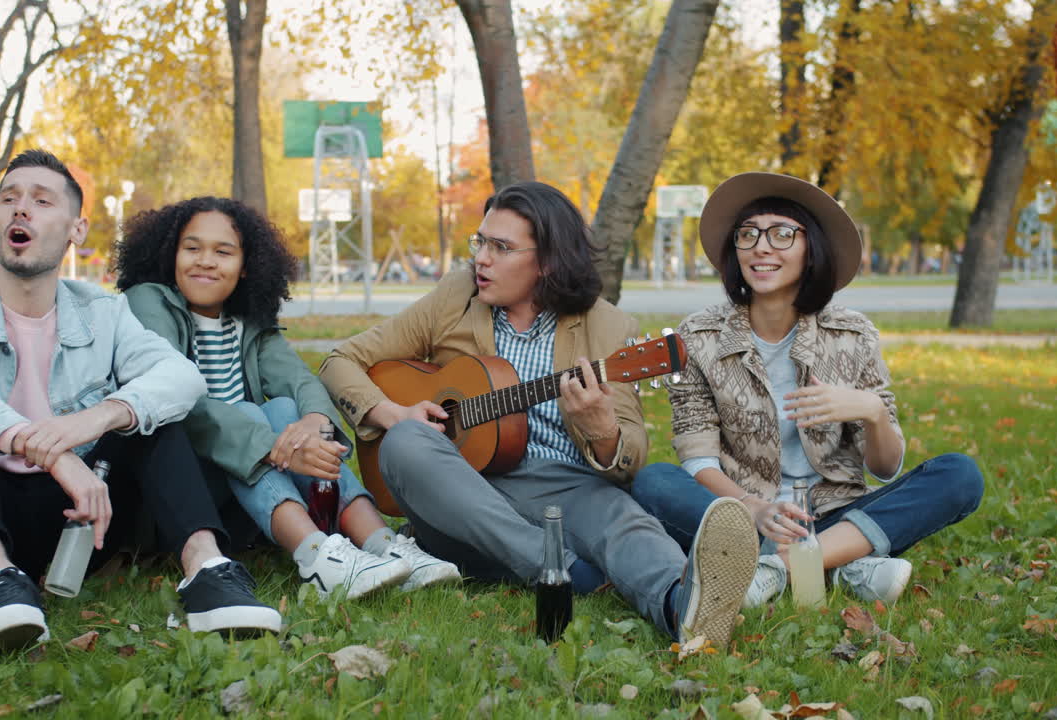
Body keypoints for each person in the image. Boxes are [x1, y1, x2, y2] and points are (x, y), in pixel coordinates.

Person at [319, 181, 759, 647]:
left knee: (623, 523)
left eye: (501, 247)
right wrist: (391, 413)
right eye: (480, 242)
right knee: (406, 443)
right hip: (462, 492)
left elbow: (630, 454)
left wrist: (603, 430)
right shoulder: (457, 296)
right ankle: (562, 568)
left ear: (547, 260)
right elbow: (339, 361)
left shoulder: (607, 326)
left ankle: (684, 606)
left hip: (564, 487)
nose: (481, 259)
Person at [0, 150, 281, 654]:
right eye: (9, 198)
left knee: (148, 416)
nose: (20, 209)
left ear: (77, 229)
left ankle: (208, 571)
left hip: (83, 518)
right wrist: (43, 448)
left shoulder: (103, 311)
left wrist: (93, 421)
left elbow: (180, 378)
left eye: (41, 200)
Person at [631, 172, 984, 608]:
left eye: (782, 234)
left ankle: (777, 568)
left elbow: (886, 468)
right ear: (735, 250)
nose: (761, 246)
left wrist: (871, 410)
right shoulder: (700, 337)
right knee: (653, 480)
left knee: (960, 475)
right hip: (746, 514)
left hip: (838, 512)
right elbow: (697, 454)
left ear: (811, 250)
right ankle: (850, 564)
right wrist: (754, 508)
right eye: (748, 234)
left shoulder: (852, 336)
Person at [116, 197, 459, 600]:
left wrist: (314, 421)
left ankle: (384, 545)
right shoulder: (149, 302)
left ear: (245, 267)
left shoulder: (249, 320)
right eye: (192, 248)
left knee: (285, 408)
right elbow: (180, 404)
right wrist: (276, 450)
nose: (205, 261)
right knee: (247, 410)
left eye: (223, 252)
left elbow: (300, 380)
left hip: (247, 488)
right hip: (182, 490)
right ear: (170, 255)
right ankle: (316, 557)